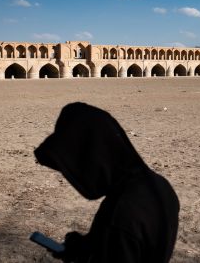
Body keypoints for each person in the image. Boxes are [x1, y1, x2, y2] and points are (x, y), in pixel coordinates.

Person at [34, 102, 180, 263]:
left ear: (92, 157)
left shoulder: (122, 212)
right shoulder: (158, 185)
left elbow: (122, 240)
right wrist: (85, 246)